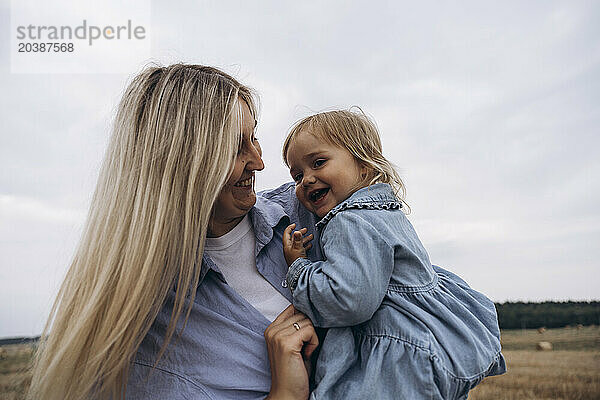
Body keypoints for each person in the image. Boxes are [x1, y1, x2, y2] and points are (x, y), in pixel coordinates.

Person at [27, 64, 320, 400]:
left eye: (253, 136)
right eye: (235, 147)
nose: (258, 161)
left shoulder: (310, 211)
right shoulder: (143, 341)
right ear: (182, 164)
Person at [282, 109, 506, 399]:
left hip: (397, 360)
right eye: (298, 175)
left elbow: (350, 299)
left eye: (318, 163)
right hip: (428, 346)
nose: (307, 180)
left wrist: (299, 267)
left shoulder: (348, 220)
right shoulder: (388, 213)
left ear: (363, 165)